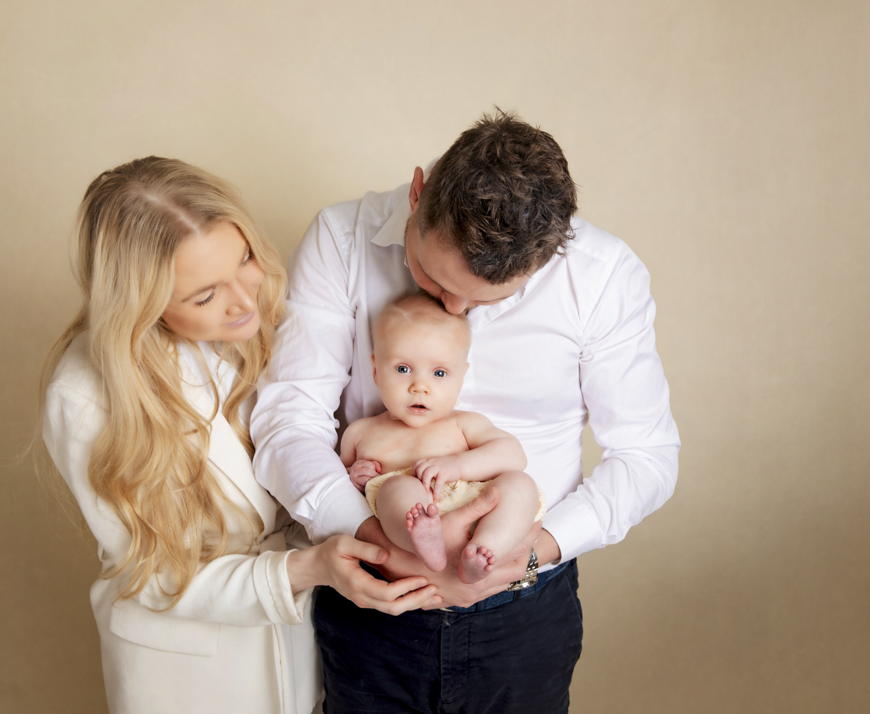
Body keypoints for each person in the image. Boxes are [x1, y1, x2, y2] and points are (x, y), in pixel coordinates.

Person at [251, 111, 681, 712]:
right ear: (418, 192)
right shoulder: (340, 238)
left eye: (487, 299)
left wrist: (531, 552)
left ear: (548, 258)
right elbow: (288, 418)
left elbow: (646, 455)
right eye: (430, 274)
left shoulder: (604, 278)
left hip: (525, 608)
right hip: (373, 598)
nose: (453, 308)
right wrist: (379, 543)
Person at [38, 157, 442, 714]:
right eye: (204, 296)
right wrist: (308, 567)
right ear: (141, 304)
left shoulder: (259, 326)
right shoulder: (85, 397)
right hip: (187, 675)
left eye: (246, 259)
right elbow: (151, 576)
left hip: (302, 652)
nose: (245, 300)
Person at [342, 294, 545, 583]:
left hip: (476, 509)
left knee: (520, 484)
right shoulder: (360, 432)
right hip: (412, 517)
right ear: (376, 371)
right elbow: (337, 485)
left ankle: (486, 549)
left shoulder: (462, 423)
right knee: (396, 487)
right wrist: (354, 475)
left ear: (461, 377)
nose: (420, 387)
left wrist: (457, 466)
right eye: (402, 369)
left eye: (439, 373)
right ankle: (424, 540)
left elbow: (514, 455)